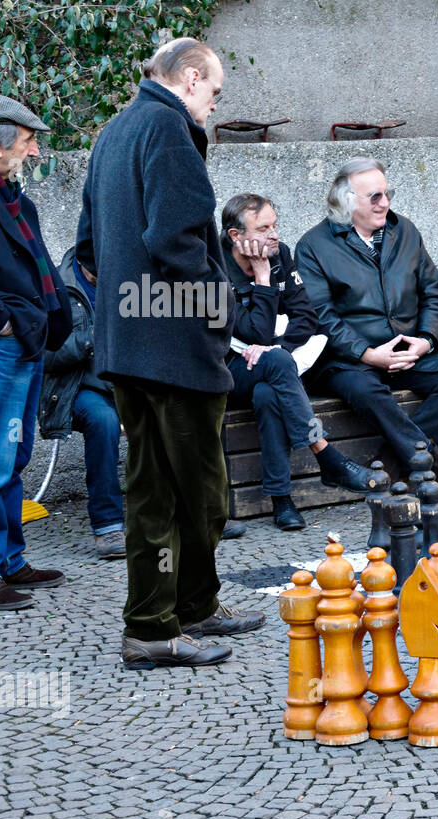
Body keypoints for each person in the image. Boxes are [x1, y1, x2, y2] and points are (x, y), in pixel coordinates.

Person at [76, 38, 265, 669]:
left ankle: (191, 605)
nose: (213, 106)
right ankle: (157, 623)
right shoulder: (167, 127)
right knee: (195, 493)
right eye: (214, 92)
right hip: (174, 348)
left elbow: (88, 251)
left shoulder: (112, 134)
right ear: (188, 79)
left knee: (157, 488)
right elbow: (180, 242)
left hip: (130, 342)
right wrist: (224, 317)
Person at [296, 158, 438, 503]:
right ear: (346, 201)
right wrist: (367, 354)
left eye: (387, 193)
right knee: (367, 391)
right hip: (347, 360)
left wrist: (424, 342)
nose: (385, 202)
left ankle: (385, 466)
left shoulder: (404, 231)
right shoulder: (314, 246)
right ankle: (432, 466)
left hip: (405, 351)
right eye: (374, 196)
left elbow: (434, 294)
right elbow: (320, 315)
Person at [0, 94, 72, 611]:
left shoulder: (10, 193)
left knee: (14, 456)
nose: (33, 151)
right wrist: (0, 323)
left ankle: (9, 559)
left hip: (23, 340)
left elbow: (39, 266)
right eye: (28, 141)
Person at [220, 193, 372, 530]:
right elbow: (252, 331)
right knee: (274, 364)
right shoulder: (216, 267)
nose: (274, 234)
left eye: (275, 225)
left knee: (268, 394)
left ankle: (282, 501)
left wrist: (280, 348)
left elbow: (307, 316)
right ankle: (326, 454)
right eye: (263, 228)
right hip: (227, 370)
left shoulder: (280, 254)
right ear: (236, 236)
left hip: (270, 371)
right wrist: (262, 279)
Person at [39, 245, 125, 560]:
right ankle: (108, 526)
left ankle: (193, 516)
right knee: (103, 421)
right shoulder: (56, 286)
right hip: (77, 387)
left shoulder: (129, 280)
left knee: (174, 409)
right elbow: (44, 353)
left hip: (127, 383)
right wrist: (91, 338)